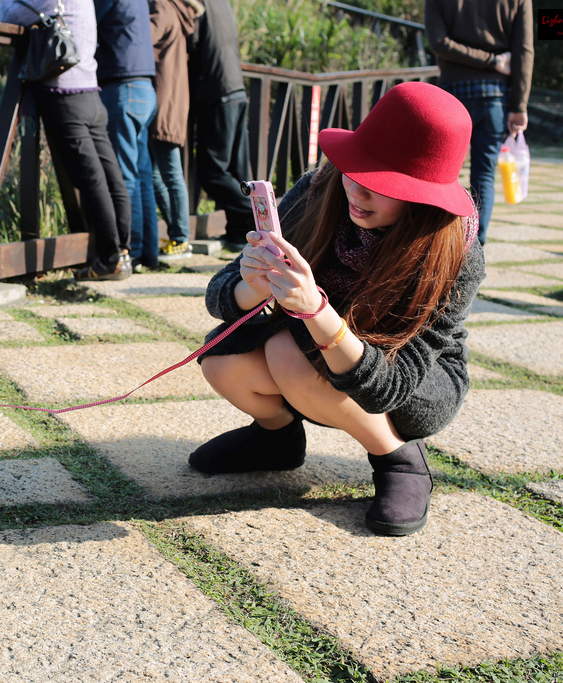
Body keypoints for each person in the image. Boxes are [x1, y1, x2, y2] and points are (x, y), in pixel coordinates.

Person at [191, 82, 485, 537]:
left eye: (381, 185)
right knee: (222, 361)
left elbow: (393, 385)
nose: (358, 192)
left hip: (413, 378)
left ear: (422, 197)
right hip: (311, 346)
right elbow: (220, 295)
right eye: (356, 170)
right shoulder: (320, 188)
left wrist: (315, 310)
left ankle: (397, 458)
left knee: (288, 352)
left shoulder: (453, 250)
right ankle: (276, 439)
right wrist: (255, 286)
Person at [0, 0, 133, 281]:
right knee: (112, 177)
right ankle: (122, 253)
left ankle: (110, 260)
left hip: (64, 95)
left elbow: (9, 14)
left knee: (92, 181)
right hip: (92, 93)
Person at [425, 0, 534, 245]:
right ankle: (475, 246)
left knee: (443, 173)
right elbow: (524, 51)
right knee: (484, 175)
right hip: (494, 97)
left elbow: (439, 43)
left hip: (452, 96)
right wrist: (518, 105)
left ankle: (439, 244)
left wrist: (489, 60)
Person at [94, 0, 160, 270]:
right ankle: (149, 253)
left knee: (126, 176)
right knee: (142, 176)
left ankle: (131, 251)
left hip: (122, 85)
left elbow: (87, 22)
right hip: (145, 85)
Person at [187, 0, 253, 249]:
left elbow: (189, 43)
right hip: (235, 88)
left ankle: (259, 213)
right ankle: (240, 231)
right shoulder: (221, 4)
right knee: (236, 170)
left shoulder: (197, 4)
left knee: (211, 172)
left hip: (215, 91)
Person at [148, 0, 204, 262]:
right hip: (172, 100)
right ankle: (177, 236)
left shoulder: (162, 7)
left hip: (162, 101)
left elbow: (144, 39)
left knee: (168, 173)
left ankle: (180, 239)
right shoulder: (179, 12)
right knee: (161, 174)